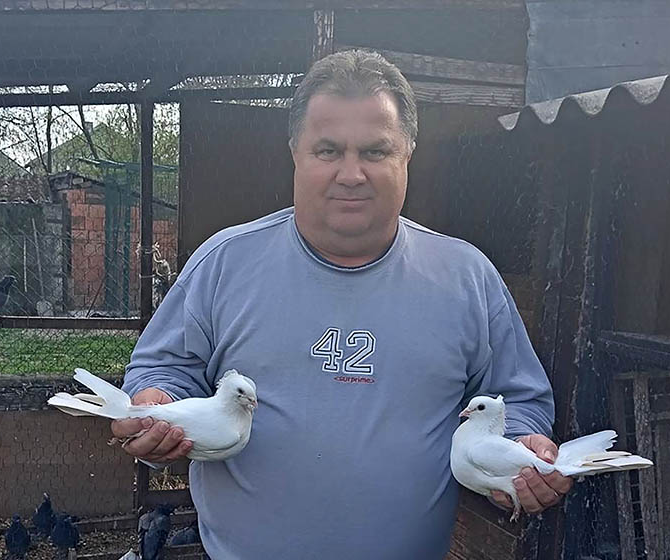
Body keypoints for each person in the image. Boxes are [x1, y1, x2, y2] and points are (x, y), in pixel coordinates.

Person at [112, 49, 572, 559]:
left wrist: (522, 450)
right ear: (295, 152)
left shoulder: (467, 277)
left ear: (407, 154)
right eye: (328, 150)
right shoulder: (224, 263)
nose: (351, 174)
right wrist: (154, 405)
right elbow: (165, 368)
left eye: (375, 151)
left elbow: (520, 398)